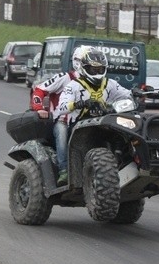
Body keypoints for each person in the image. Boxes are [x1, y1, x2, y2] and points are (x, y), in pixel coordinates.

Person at [53, 47, 132, 184]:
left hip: (103, 122)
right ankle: (64, 170)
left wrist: (136, 93)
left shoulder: (110, 84)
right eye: (93, 69)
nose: (97, 73)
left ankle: (123, 160)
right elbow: (62, 107)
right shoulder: (73, 86)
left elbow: (126, 94)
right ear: (84, 68)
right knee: (61, 132)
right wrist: (79, 104)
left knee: (124, 129)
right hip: (79, 126)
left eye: (100, 69)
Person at [30, 47, 86, 183]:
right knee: (62, 132)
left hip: (87, 121)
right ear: (78, 62)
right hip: (62, 120)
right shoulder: (65, 78)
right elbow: (39, 89)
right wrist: (39, 108)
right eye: (88, 64)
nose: (95, 69)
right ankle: (63, 171)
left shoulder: (97, 83)